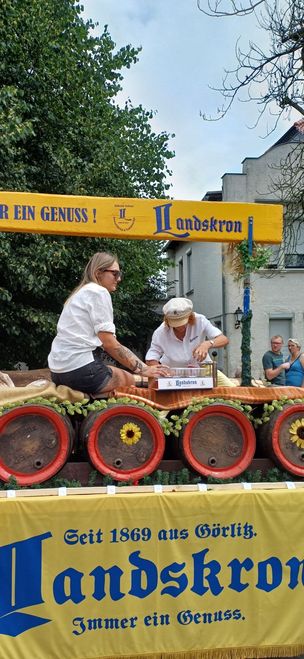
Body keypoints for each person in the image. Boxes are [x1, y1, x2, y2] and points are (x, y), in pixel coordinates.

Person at [48, 252, 170, 396]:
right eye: (115, 273)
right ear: (98, 273)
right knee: (127, 379)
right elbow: (110, 344)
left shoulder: (79, 293)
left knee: (120, 374)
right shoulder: (99, 292)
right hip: (80, 369)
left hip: (57, 372)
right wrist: (144, 369)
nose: (119, 278)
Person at [145, 297, 235, 386]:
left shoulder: (200, 320)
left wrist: (207, 344)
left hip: (203, 368)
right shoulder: (160, 332)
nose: (180, 327)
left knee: (231, 390)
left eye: (182, 322)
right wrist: (162, 371)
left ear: (190, 316)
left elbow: (223, 339)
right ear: (167, 320)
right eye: (175, 323)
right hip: (172, 372)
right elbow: (151, 358)